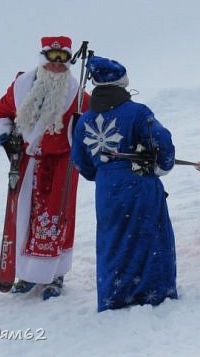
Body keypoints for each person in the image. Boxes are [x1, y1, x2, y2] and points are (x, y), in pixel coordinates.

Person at [70, 56, 177, 312]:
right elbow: (162, 142)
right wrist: (161, 166)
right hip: (140, 184)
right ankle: (154, 291)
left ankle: (115, 294)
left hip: (107, 188)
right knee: (149, 236)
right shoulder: (138, 112)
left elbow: (80, 161)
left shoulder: (84, 120)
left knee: (114, 240)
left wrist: (104, 175)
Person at [0, 36, 89, 299]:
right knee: (24, 218)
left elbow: (95, 120)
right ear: (43, 59)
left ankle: (56, 275)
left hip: (62, 166)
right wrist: (5, 138)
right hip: (28, 163)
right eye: (52, 60)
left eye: (63, 61)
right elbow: (1, 112)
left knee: (57, 219)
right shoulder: (21, 87)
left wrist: (82, 130)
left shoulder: (77, 96)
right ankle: (28, 273)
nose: (56, 66)